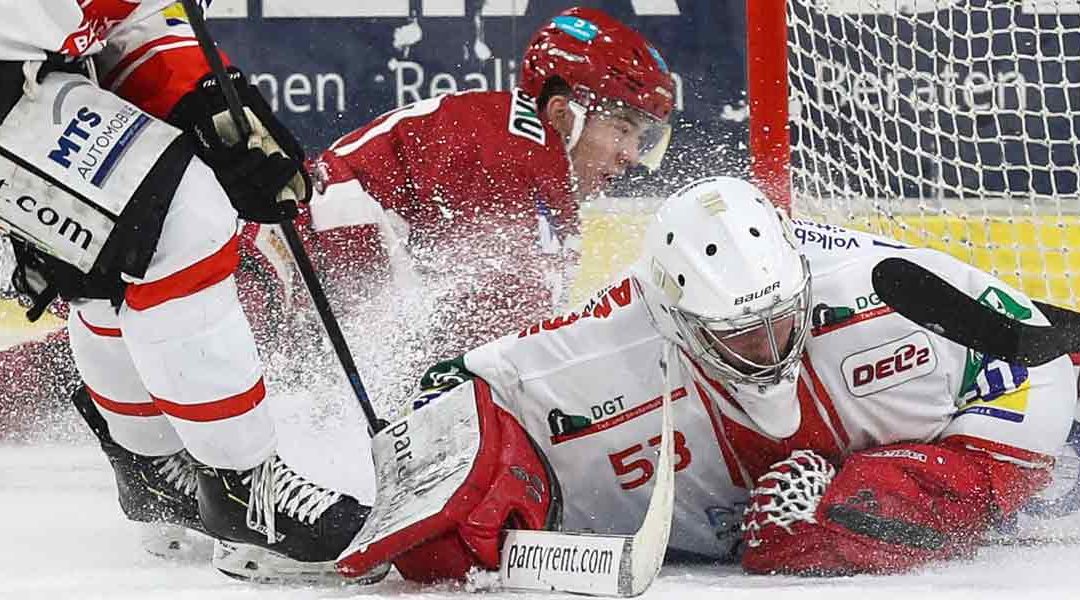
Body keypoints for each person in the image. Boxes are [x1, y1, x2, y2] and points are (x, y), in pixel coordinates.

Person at [331, 176, 1075, 581]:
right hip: (704, 500)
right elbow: (465, 383)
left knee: (852, 511)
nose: (767, 348)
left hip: (1018, 457)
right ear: (678, 320)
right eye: (738, 335)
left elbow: (1042, 356)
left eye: (782, 322)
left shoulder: (886, 292)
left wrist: (956, 476)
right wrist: (441, 464)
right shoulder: (611, 336)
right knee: (441, 557)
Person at [0, 1, 368, 582]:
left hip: (33, 66)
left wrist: (204, 98)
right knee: (179, 220)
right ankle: (245, 486)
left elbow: (125, 13)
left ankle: (151, 470)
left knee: (106, 253)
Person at [256, 6, 675, 377]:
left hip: (286, 298)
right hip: (265, 282)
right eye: (622, 129)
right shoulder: (505, 159)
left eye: (641, 138)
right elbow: (490, 362)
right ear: (564, 114)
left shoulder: (529, 161)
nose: (632, 156)